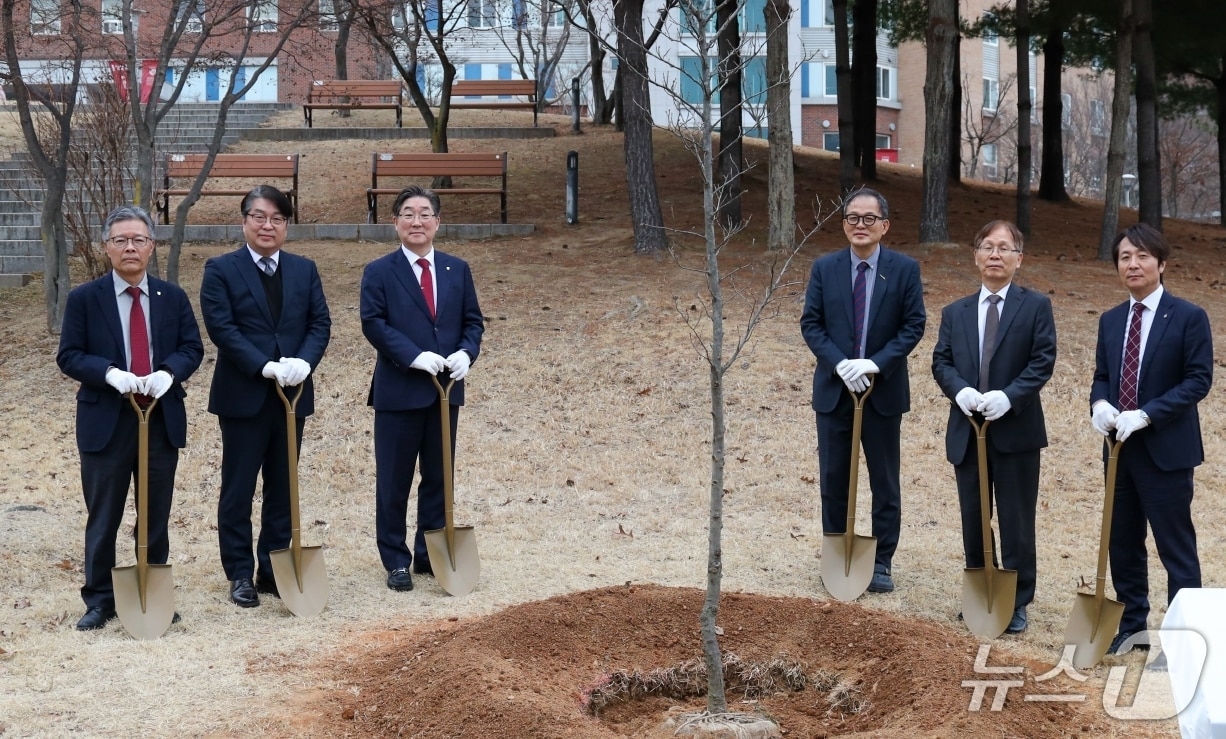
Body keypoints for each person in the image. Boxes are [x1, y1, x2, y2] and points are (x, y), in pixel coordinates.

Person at [56, 205, 204, 630]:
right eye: (120, 240)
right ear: (106, 247)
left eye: (138, 239)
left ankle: (151, 590)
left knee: (155, 513)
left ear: (152, 246)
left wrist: (168, 373)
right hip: (106, 421)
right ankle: (100, 599)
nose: (130, 248)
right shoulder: (85, 299)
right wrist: (109, 374)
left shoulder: (171, 297)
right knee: (104, 515)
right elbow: (69, 355)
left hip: (159, 418)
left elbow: (192, 348)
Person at [199, 186, 331, 608]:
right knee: (238, 488)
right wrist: (263, 366)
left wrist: (305, 362)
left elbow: (319, 323)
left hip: (292, 394)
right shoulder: (221, 269)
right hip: (244, 394)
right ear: (244, 222)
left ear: (286, 225)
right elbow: (222, 328)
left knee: (283, 486)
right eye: (259, 216)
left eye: (277, 218)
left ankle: (273, 567)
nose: (267, 225)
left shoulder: (304, 269)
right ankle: (239, 573)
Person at [1089, 223, 1212, 655]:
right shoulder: (1111, 320)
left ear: (1161, 264)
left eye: (1142, 256)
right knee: (1122, 542)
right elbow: (1103, 375)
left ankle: (1184, 638)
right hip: (1119, 451)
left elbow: (1198, 380)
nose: (1133, 264)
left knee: (1175, 547)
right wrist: (1099, 404)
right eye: (1125, 257)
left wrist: (1146, 414)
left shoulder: (1188, 316)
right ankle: (1132, 627)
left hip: (1166, 450)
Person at [931, 220, 1056, 634]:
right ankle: (982, 589)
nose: (995, 254)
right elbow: (941, 361)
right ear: (976, 256)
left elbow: (1042, 360)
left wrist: (1010, 396)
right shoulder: (956, 312)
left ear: (1019, 259)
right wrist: (960, 391)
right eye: (987, 246)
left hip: (1016, 431)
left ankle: (1016, 600)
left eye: (1005, 247)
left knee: (1016, 520)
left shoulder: (1035, 306)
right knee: (974, 516)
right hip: (968, 431)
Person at [800, 188, 926, 594]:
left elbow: (913, 325)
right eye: (853, 218)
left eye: (869, 218)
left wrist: (875, 363)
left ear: (884, 225)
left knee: (884, 481)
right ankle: (837, 554)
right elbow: (811, 324)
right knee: (834, 477)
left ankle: (882, 560)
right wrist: (839, 363)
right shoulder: (825, 268)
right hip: (835, 392)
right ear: (844, 225)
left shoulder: (904, 269)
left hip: (882, 393)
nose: (860, 225)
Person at [360, 185, 484, 592]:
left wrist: (467, 352)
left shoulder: (456, 269)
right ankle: (396, 560)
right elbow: (373, 323)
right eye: (408, 214)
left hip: (445, 392)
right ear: (395, 222)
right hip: (399, 390)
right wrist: (413, 356)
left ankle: (430, 552)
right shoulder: (379, 271)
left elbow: (472, 321)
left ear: (437, 222)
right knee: (394, 481)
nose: (417, 221)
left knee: (439, 477)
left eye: (425, 214)